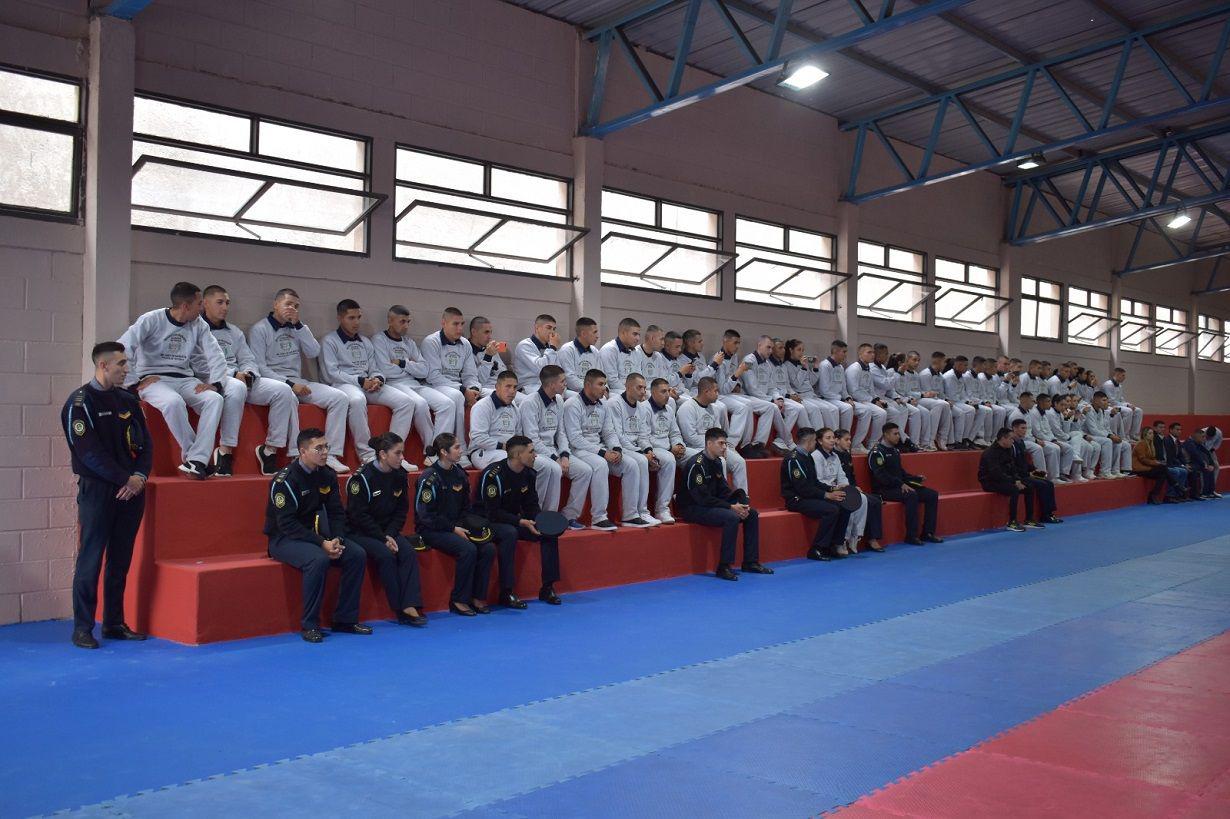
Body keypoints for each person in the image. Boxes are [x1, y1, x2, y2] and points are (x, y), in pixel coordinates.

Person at [62, 342, 153, 649]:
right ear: (103, 366)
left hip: (132, 491)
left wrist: (139, 477)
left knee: (120, 559)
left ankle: (114, 623)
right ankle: (83, 628)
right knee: (90, 559)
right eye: (121, 364)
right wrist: (124, 479)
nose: (126, 369)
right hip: (99, 491)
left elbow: (146, 445)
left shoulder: (128, 400)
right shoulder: (79, 404)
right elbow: (88, 453)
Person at [264, 427, 371, 643]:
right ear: (302, 451)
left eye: (326, 447)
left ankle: (345, 619)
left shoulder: (327, 475)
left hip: (314, 535)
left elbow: (336, 512)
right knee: (318, 559)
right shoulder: (285, 481)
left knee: (356, 554)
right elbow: (287, 524)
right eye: (318, 448)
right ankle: (310, 624)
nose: (324, 452)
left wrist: (338, 539)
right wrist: (322, 543)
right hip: (284, 538)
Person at [119, 281, 227, 479]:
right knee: (173, 402)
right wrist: (133, 382)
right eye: (199, 304)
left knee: (215, 399)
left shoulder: (198, 324)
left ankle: (196, 461)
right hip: (153, 379)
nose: (202, 308)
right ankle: (195, 458)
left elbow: (215, 353)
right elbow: (124, 347)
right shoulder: (151, 319)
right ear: (185, 306)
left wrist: (217, 383)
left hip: (184, 378)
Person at [198, 285, 299, 477]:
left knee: (283, 390)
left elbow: (247, 358)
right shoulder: (196, 329)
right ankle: (225, 451)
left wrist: (249, 372)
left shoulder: (234, 331)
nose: (225, 307)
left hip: (240, 378)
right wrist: (233, 373)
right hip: (213, 379)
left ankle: (269, 450)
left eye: (227, 303)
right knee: (236, 387)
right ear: (205, 304)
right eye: (220, 302)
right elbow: (200, 364)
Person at [249, 288, 350, 473]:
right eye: (288, 304)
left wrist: (299, 325)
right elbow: (260, 367)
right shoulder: (260, 329)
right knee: (288, 395)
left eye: (296, 306)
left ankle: (331, 454)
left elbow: (314, 352)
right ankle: (295, 455)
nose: (292, 309)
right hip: (274, 381)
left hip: (298, 379)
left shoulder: (299, 328)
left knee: (340, 398)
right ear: (275, 304)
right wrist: (289, 384)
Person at [319, 299, 418, 470]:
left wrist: (378, 379)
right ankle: (366, 454)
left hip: (367, 383)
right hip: (343, 384)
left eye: (358, 317)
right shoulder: (329, 341)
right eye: (351, 318)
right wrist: (360, 381)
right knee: (357, 400)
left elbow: (375, 368)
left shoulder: (365, 341)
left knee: (406, 402)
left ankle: (393, 452)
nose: (356, 322)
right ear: (340, 318)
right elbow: (331, 373)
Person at [344, 432, 427, 627]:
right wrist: (383, 538)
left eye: (402, 453)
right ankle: (399, 608)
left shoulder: (400, 475)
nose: (402, 457)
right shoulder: (362, 479)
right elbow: (358, 516)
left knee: (408, 552)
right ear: (382, 454)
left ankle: (411, 604)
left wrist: (390, 534)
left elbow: (401, 510)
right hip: (361, 532)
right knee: (385, 555)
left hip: (387, 530)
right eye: (397, 453)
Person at [477, 435, 563, 607]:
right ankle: (506, 591)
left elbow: (531, 505)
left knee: (548, 532)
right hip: (488, 522)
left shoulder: (529, 474)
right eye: (531, 452)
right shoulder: (493, 475)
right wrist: (520, 521)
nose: (535, 455)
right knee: (510, 533)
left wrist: (539, 521)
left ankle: (547, 587)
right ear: (517, 455)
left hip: (515, 520)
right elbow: (491, 513)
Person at [415, 433, 495, 615]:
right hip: (431, 529)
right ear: (444, 452)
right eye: (457, 447)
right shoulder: (429, 477)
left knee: (488, 548)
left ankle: (477, 596)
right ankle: (459, 599)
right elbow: (425, 515)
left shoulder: (459, 474)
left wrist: (471, 527)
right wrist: (452, 528)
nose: (461, 451)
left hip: (457, 526)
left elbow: (466, 508)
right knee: (468, 549)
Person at [676, 428, 773, 581]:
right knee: (731, 517)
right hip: (693, 507)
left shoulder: (717, 462)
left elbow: (724, 491)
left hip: (709, 504)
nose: (724, 447)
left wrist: (739, 504)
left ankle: (750, 562)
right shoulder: (697, 464)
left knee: (751, 514)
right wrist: (730, 507)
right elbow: (702, 499)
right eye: (721, 443)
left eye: (725, 444)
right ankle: (724, 566)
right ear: (709, 444)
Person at [370, 305, 455, 466]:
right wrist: (411, 365)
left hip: (415, 383)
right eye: (402, 321)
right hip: (394, 383)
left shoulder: (409, 342)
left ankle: (436, 452)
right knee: (420, 404)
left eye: (408, 322)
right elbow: (386, 369)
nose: (406, 326)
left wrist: (402, 363)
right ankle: (425, 451)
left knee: (447, 404)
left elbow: (424, 370)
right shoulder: (379, 339)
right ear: (390, 320)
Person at [519, 364, 592, 530]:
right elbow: (532, 439)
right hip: (534, 451)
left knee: (585, 471)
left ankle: (569, 516)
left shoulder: (559, 400)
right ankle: (539, 516)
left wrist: (564, 455)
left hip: (554, 450)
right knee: (553, 468)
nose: (565, 384)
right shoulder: (530, 403)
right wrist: (555, 458)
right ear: (552, 384)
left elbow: (561, 433)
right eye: (562, 381)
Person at [560, 369, 625, 531]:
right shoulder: (572, 404)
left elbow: (609, 432)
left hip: (597, 447)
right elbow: (575, 439)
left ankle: (632, 514)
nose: (604, 388)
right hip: (577, 449)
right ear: (588, 385)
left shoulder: (603, 404)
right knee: (600, 464)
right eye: (600, 384)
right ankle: (599, 517)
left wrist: (616, 448)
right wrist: (603, 453)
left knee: (631, 464)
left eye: (605, 384)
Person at [420, 307, 482, 465]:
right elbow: (433, 376)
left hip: (456, 386)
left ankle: (464, 451)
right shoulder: (431, 342)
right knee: (456, 397)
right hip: (434, 385)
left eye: (462, 324)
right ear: (443, 323)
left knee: (480, 395)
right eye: (455, 324)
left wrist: (474, 388)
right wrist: (463, 390)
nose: (460, 328)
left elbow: (470, 374)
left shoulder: (465, 343)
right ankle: (456, 451)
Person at [781, 428, 849, 561]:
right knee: (831, 509)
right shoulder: (794, 459)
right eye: (814, 441)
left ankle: (834, 544)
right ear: (809, 441)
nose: (815, 444)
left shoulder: (807, 456)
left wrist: (832, 489)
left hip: (808, 496)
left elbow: (814, 482)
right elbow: (802, 488)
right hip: (797, 499)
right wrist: (826, 495)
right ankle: (817, 548)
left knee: (843, 505)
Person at [869, 423, 943, 546]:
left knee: (931, 495)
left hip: (898, 486)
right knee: (911, 495)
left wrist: (915, 478)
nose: (898, 436)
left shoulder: (895, 451)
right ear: (886, 435)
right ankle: (911, 535)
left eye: (898, 433)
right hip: (884, 489)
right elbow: (881, 476)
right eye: (895, 434)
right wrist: (900, 484)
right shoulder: (877, 452)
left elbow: (901, 473)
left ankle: (928, 533)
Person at [676, 375, 749, 492]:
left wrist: (722, 447)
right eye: (715, 391)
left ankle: (742, 498)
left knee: (739, 462)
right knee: (720, 461)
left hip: (711, 447)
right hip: (692, 448)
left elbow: (717, 433)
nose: (717, 394)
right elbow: (690, 437)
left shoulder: (714, 409)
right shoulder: (687, 408)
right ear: (706, 391)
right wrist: (714, 448)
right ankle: (722, 496)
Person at [606, 373, 660, 527]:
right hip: (618, 446)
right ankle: (632, 513)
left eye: (644, 388)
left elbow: (643, 435)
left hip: (634, 448)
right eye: (639, 387)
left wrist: (648, 450)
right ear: (628, 387)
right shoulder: (614, 403)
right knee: (640, 461)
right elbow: (618, 435)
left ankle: (642, 511)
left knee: (650, 459)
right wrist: (641, 453)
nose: (643, 391)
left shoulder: (642, 407)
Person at [981, 426, 1058, 531]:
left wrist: (1017, 479)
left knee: (1029, 487)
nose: (1013, 441)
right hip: (990, 482)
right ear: (1003, 438)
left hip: (1005, 479)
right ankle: (1012, 522)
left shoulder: (1007, 450)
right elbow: (996, 473)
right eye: (1011, 439)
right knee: (1014, 489)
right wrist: (1014, 482)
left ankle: (1029, 519)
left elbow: (1012, 468)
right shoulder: (990, 453)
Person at [740, 334, 801, 455]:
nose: (770, 351)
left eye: (771, 348)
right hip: (749, 397)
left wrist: (778, 398)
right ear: (759, 345)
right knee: (772, 407)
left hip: (765, 398)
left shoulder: (767, 364)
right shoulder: (749, 360)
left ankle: (776, 441)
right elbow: (751, 388)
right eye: (768, 347)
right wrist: (772, 400)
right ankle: (786, 441)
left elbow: (772, 387)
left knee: (796, 408)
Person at [827, 428, 884, 553]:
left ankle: (867, 537)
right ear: (837, 441)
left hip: (850, 487)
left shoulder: (847, 454)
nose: (849, 442)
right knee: (860, 501)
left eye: (850, 440)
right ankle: (846, 538)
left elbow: (851, 476)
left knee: (875, 501)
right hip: (838, 489)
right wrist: (850, 488)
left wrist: (854, 487)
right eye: (846, 439)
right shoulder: (832, 456)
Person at [644, 377, 685, 524]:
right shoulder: (644, 408)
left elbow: (675, 433)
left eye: (668, 391)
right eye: (663, 391)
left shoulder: (669, 409)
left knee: (697, 457)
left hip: (668, 447)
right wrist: (669, 448)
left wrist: (678, 445)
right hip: (652, 448)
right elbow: (645, 437)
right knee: (669, 459)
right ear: (653, 392)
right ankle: (662, 509)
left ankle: (686, 500)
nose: (667, 394)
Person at [468, 370, 524, 470]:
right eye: (508, 386)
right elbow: (479, 437)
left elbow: (518, 434)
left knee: (536, 461)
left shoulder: (515, 408)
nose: (512, 391)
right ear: (497, 387)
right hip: (483, 452)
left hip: (509, 451)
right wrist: (503, 446)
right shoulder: (482, 406)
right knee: (512, 460)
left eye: (515, 387)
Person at [845, 343, 889, 454]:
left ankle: (874, 443)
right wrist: (872, 401)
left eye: (873, 352)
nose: (872, 354)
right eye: (869, 352)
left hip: (865, 399)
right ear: (860, 354)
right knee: (876, 412)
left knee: (886, 412)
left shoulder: (868, 368)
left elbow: (871, 389)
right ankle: (856, 445)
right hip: (854, 400)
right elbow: (853, 391)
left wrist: (877, 399)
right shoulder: (854, 368)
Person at [468, 316, 519, 402]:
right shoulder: (467, 350)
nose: (490, 337)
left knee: (527, 399)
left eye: (490, 332)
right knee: (518, 400)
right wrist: (488, 357)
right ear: (474, 332)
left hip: (503, 386)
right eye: (486, 332)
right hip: (485, 388)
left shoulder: (490, 347)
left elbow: (503, 370)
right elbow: (478, 381)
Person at [1083, 391, 1132, 478]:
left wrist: (1113, 435)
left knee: (1122, 443)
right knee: (1108, 441)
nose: (1106, 403)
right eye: (1104, 400)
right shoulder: (1089, 410)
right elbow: (1093, 430)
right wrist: (1110, 436)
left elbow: (1105, 428)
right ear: (1096, 400)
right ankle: (1104, 471)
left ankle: (1117, 470)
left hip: (1099, 436)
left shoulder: (1101, 411)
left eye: (1106, 400)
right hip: (1088, 435)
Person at [512, 314, 561, 394]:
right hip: (528, 387)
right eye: (548, 328)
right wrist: (553, 348)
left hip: (547, 386)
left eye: (554, 329)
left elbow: (557, 370)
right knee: (557, 396)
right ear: (537, 328)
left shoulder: (549, 348)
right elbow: (542, 370)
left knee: (574, 396)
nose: (552, 332)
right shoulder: (524, 345)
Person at [556, 316, 600, 398]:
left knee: (605, 398)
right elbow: (569, 378)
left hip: (591, 389)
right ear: (583, 334)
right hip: (571, 391)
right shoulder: (567, 350)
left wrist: (603, 388)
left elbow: (600, 375)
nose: (597, 336)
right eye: (594, 332)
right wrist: (591, 389)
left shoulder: (595, 351)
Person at [1132, 427, 1174, 504]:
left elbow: (1152, 458)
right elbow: (1143, 459)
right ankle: (1175, 485)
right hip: (1139, 468)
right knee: (1162, 468)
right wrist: (1156, 463)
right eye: (1150, 433)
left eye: (1152, 433)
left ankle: (1154, 494)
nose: (1152, 435)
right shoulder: (1141, 444)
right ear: (1145, 435)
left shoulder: (1150, 444)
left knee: (1162, 474)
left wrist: (1157, 462)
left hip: (1147, 467)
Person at [597, 316, 642, 387]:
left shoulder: (637, 352)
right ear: (623, 333)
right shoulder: (609, 350)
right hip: (614, 391)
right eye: (635, 334)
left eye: (639, 335)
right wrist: (630, 392)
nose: (638, 338)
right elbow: (611, 381)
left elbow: (639, 378)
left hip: (632, 390)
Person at [1153, 420, 1192, 501]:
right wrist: (1181, 465)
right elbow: (1169, 456)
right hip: (1162, 464)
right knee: (1176, 471)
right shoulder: (1163, 439)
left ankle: (1178, 494)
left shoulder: (1174, 440)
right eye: (1160, 427)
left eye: (1164, 427)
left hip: (1169, 463)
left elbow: (1180, 455)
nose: (1162, 429)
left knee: (1184, 471)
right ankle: (1170, 495)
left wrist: (1185, 464)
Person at [1102, 368, 1143, 441]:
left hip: (1118, 405)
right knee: (1128, 411)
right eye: (1123, 375)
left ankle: (1133, 434)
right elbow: (1111, 401)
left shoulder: (1119, 385)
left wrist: (1129, 404)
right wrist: (1126, 405)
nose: (1125, 377)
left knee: (1138, 411)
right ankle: (1123, 435)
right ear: (1117, 375)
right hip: (1109, 406)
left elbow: (1121, 399)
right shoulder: (1108, 385)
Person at [1183, 428, 1219, 499]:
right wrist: (1204, 464)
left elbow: (1207, 453)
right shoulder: (1189, 443)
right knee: (1204, 469)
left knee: (1211, 469)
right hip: (1189, 463)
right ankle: (1203, 493)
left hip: (1196, 462)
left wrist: (1211, 464)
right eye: (1202, 437)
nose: (1204, 439)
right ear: (1196, 436)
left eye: (1204, 437)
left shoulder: (1198, 443)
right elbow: (1195, 455)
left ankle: (1210, 492)